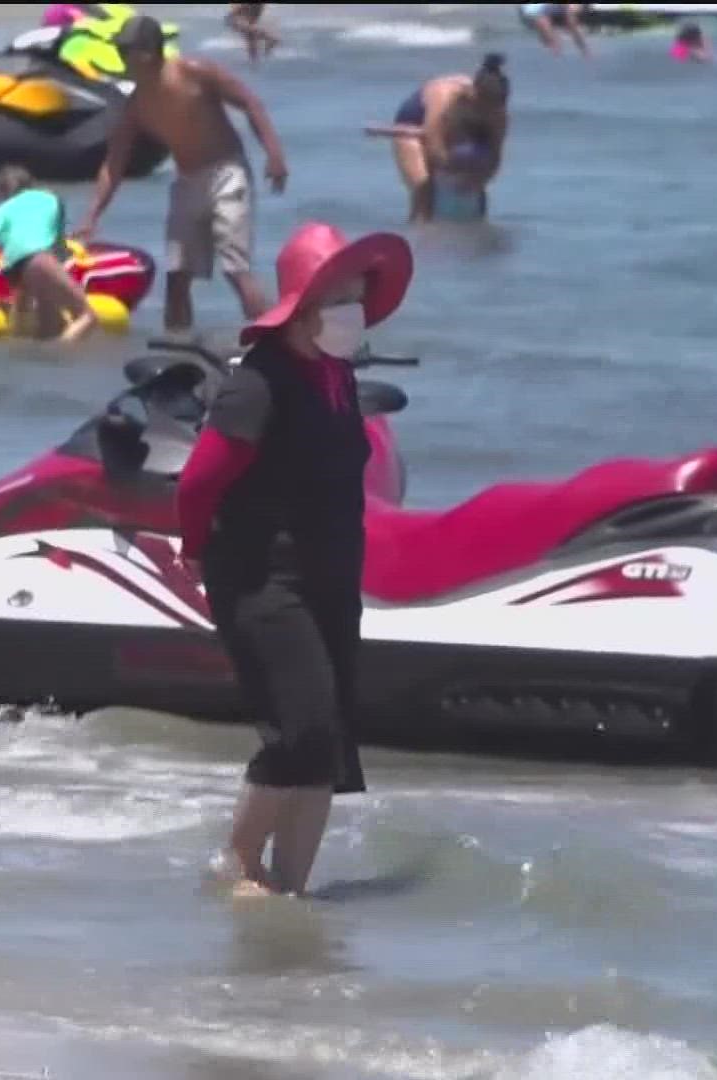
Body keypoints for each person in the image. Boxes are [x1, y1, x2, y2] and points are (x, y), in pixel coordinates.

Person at [175, 221, 413, 899]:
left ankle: (291, 888)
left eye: (358, 293)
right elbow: (198, 482)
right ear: (302, 304)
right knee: (299, 726)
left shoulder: (336, 374)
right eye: (339, 293)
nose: (354, 307)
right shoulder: (260, 382)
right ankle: (239, 866)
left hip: (331, 574)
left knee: (329, 742)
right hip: (261, 576)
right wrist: (195, 550)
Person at [76, 14, 288, 335]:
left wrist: (274, 156)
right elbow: (115, 162)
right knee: (176, 278)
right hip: (187, 182)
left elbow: (250, 103)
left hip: (227, 173)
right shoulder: (136, 105)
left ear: (147, 53)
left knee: (235, 270)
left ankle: (278, 340)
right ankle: (177, 351)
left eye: (125, 52)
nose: (120, 59)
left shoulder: (195, 73)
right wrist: (92, 216)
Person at [0, 165, 97, 342]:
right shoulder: (49, 198)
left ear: (1, 192)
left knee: (51, 324)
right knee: (87, 316)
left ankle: (33, 353)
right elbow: (57, 244)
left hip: (12, 269)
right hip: (38, 259)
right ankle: (58, 354)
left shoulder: (3, 210)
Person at [389, 54, 510, 224]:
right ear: (471, 93)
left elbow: (495, 159)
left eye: (491, 109)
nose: (485, 112)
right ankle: (417, 237)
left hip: (460, 133)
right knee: (424, 190)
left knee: (479, 192)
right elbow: (434, 146)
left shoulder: (499, 115)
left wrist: (478, 179)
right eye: (481, 106)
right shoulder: (444, 97)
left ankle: (477, 240)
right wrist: (452, 171)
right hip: (413, 126)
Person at [519, 3, 591, 56]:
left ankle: (583, 48)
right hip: (539, 13)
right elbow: (531, 12)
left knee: (571, 21)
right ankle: (553, 44)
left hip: (558, 11)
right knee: (542, 21)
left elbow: (574, 8)